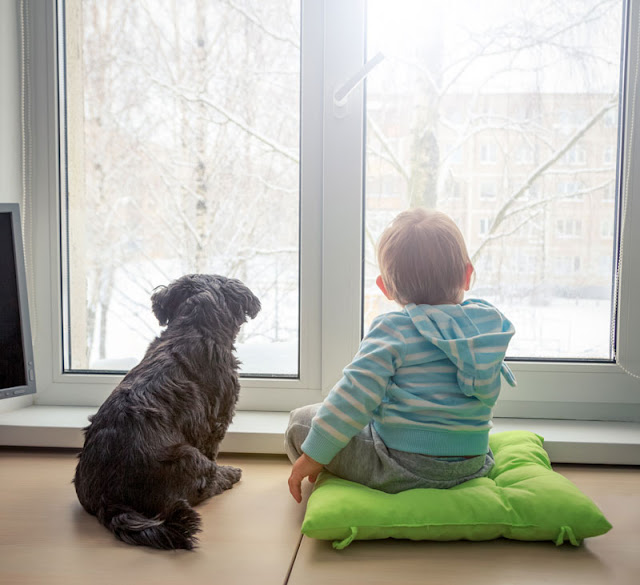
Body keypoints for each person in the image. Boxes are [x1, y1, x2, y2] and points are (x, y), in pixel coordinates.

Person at [285, 207, 517, 503]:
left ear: (385, 287)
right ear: (467, 275)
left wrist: (314, 454)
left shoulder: (393, 329)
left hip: (400, 466)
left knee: (299, 422)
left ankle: (323, 468)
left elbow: (353, 396)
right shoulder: (487, 326)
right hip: (472, 465)